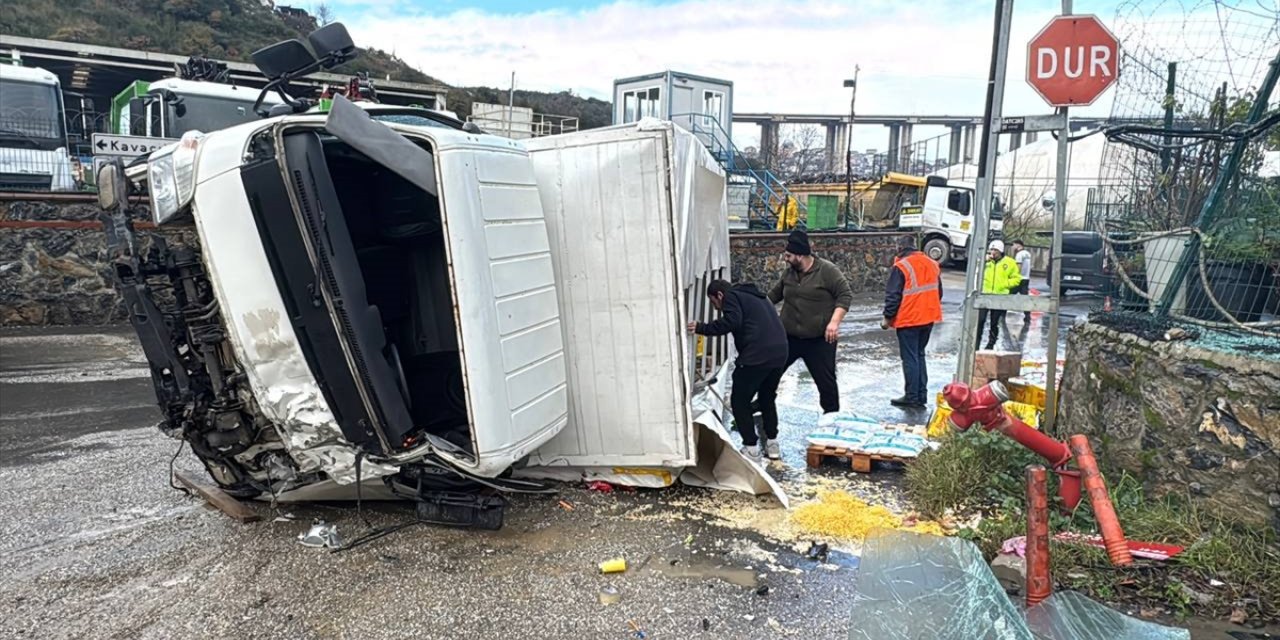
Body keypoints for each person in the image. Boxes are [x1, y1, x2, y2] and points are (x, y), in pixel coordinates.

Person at [688, 280, 789, 464]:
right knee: (767, 398)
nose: (717, 308)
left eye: (714, 303)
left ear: (719, 295)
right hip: (780, 353)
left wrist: (702, 328)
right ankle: (773, 444)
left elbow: (732, 321)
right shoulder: (760, 297)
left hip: (756, 355)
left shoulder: (732, 296)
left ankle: (751, 449)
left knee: (739, 401)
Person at [768, 229, 853, 417]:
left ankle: (832, 417)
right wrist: (756, 308)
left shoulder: (827, 271)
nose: (785, 259)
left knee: (826, 382)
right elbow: (773, 296)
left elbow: (845, 295)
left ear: (800, 255)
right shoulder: (788, 274)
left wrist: (834, 322)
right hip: (789, 337)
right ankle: (763, 407)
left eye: (789, 255)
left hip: (819, 340)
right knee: (771, 373)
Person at [881, 235, 943, 408]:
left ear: (899, 248)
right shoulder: (932, 263)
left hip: (909, 318)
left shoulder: (901, 266)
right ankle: (921, 395)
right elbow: (939, 292)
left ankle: (912, 396)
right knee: (919, 355)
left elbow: (893, 295)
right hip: (928, 317)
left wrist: (887, 317)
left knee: (910, 358)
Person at [977, 240, 1022, 350]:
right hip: (985, 294)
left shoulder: (1010, 263)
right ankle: (976, 342)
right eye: (991, 249)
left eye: (995, 250)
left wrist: (1005, 285)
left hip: (1000, 296)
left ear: (1000, 251)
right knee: (980, 320)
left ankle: (991, 343)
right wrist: (983, 262)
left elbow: (1017, 279)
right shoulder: (986, 262)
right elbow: (976, 272)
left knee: (994, 321)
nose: (992, 252)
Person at [1011, 239, 1033, 324]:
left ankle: (1002, 312)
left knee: (1008, 295)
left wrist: (1014, 277)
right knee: (1025, 298)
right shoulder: (1027, 254)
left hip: (1019, 279)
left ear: (1018, 245)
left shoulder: (1019, 255)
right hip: (1026, 278)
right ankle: (1027, 316)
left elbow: (1018, 267)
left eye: (1013, 245)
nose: (1013, 247)